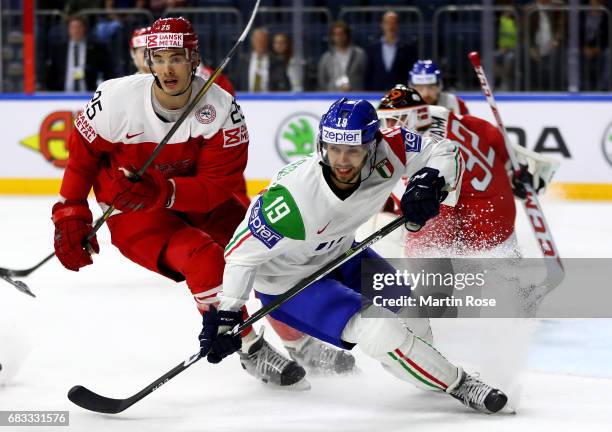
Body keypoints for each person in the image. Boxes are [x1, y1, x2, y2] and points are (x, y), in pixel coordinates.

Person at [198, 98, 514, 414]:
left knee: (411, 312)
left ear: (373, 145)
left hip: (340, 253)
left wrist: (431, 181)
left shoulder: (392, 147)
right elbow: (240, 254)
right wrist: (228, 316)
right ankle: (460, 384)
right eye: (334, 148)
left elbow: (444, 151)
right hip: (289, 282)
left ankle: (429, 371)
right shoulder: (292, 201)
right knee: (378, 330)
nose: (342, 161)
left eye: (353, 150)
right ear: (321, 144)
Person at [50, 16, 306, 389]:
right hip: (135, 213)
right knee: (204, 258)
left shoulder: (220, 108)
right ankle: (251, 348)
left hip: (195, 200)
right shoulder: (114, 99)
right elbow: (82, 158)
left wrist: (165, 190)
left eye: (177, 57)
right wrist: (70, 211)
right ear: (148, 61)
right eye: (160, 57)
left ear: (194, 58)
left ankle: (300, 341)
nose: (168, 67)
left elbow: (220, 184)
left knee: (269, 250)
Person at [375, 85, 558, 326]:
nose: (389, 128)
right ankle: (515, 291)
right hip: (500, 211)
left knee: (410, 232)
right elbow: (491, 134)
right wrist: (515, 170)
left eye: (396, 120)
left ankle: (432, 310)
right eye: (386, 121)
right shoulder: (441, 113)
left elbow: (432, 214)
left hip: (481, 226)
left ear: (416, 116)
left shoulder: (425, 151)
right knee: (502, 278)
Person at [45, 15, 114, 91]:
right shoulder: (58, 49)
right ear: (68, 29)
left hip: (89, 94)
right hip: (63, 96)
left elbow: (107, 71)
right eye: (73, 27)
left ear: (84, 28)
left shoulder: (96, 49)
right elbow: (52, 73)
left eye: (79, 27)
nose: (76, 30)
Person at [364, 11, 417, 91]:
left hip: (401, 95)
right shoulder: (372, 49)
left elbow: (410, 75)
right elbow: (368, 75)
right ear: (382, 25)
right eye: (388, 23)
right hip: (376, 96)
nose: (391, 26)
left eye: (394, 23)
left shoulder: (408, 49)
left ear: (398, 25)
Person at [317, 21, 366, 92]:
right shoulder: (326, 57)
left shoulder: (359, 54)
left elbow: (365, 77)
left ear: (347, 35)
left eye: (342, 34)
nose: (339, 37)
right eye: (336, 34)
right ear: (332, 37)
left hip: (355, 95)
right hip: (332, 97)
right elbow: (322, 80)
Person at [236, 27, 289, 92]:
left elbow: (284, 85)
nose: (260, 43)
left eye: (263, 40)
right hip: (246, 100)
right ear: (252, 41)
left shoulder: (276, 62)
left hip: (269, 100)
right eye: (257, 40)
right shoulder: (243, 61)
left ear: (267, 42)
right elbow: (237, 84)